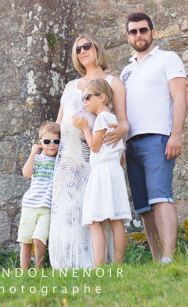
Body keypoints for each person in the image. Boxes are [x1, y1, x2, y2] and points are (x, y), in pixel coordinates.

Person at [105, 13, 186, 264]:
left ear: (153, 32)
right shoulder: (127, 71)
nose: (138, 35)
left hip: (158, 139)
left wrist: (176, 135)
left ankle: (169, 258)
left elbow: (180, 97)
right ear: (127, 37)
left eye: (143, 30)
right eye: (133, 32)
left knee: (161, 197)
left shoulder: (168, 59)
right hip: (131, 144)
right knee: (143, 206)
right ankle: (156, 258)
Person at [48, 34, 128, 269]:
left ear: (97, 48)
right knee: (67, 212)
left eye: (87, 46)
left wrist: (117, 152)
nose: (82, 51)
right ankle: (66, 265)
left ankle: (97, 263)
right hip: (67, 161)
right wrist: (43, 145)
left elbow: (123, 123)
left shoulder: (112, 82)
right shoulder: (71, 86)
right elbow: (58, 124)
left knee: (96, 213)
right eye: (78, 49)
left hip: (93, 161)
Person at [73, 78, 131, 266]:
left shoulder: (101, 118)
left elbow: (95, 146)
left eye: (88, 97)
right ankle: (117, 263)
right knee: (115, 218)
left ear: (102, 97)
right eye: (83, 98)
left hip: (102, 170)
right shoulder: (112, 118)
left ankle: (99, 264)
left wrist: (84, 128)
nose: (85, 102)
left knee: (94, 219)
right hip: (114, 169)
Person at [17, 121, 61, 270]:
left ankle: (38, 269)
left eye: (56, 141)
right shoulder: (36, 158)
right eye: (47, 141)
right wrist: (32, 153)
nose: (52, 145)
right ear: (41, 143)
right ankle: (23, 272)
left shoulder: (59, 161)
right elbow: (26, 173)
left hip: (46, 206)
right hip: (30, 205)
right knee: (25, 240)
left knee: (39, 239)